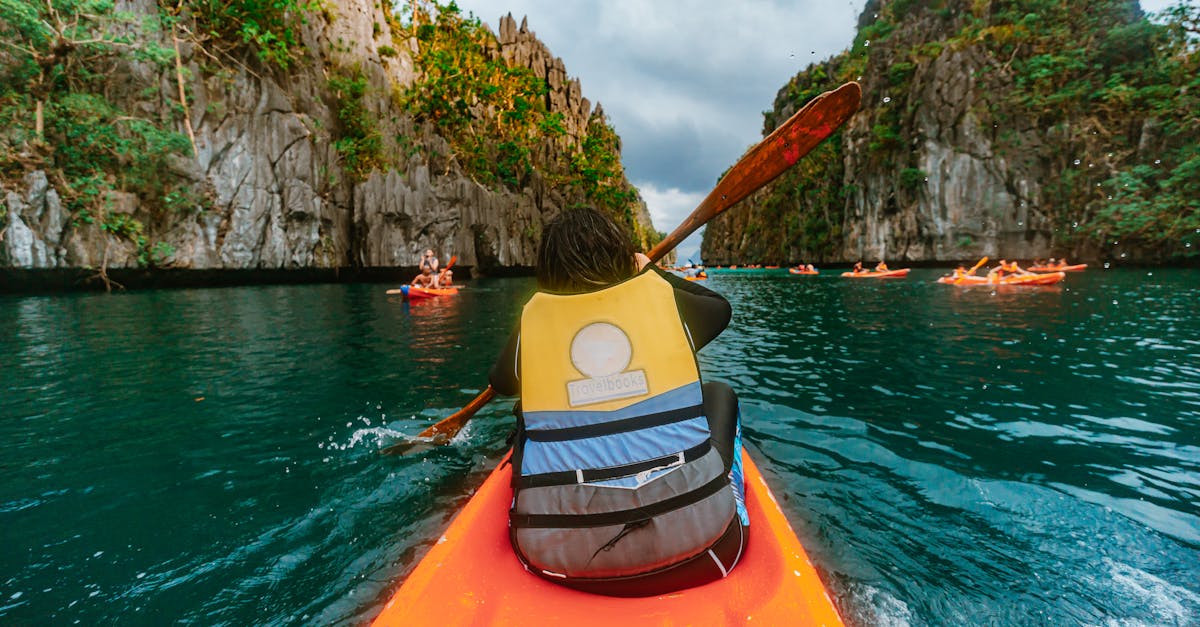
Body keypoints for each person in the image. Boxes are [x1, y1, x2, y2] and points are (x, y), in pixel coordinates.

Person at [489, 207, 747, 597]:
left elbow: (501, 382)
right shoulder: (665, 303)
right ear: (623, 256)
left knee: (523, 418)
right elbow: (720, 310)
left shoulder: (533, 320)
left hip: (556, 560)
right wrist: (649, 272)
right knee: (719, 392)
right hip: (705, 541)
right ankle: (731, 498)